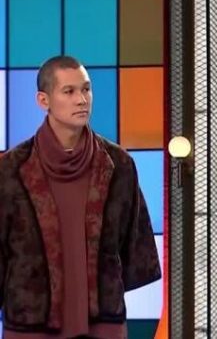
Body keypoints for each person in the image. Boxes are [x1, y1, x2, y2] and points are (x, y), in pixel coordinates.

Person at [0, 56, 161, 338]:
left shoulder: (118, 165)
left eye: (86, 89)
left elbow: (134, 246)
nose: (81, 100)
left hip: (104, 322)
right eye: (69, 91)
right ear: (43, 100)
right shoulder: (10, 170)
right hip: (30, 324)